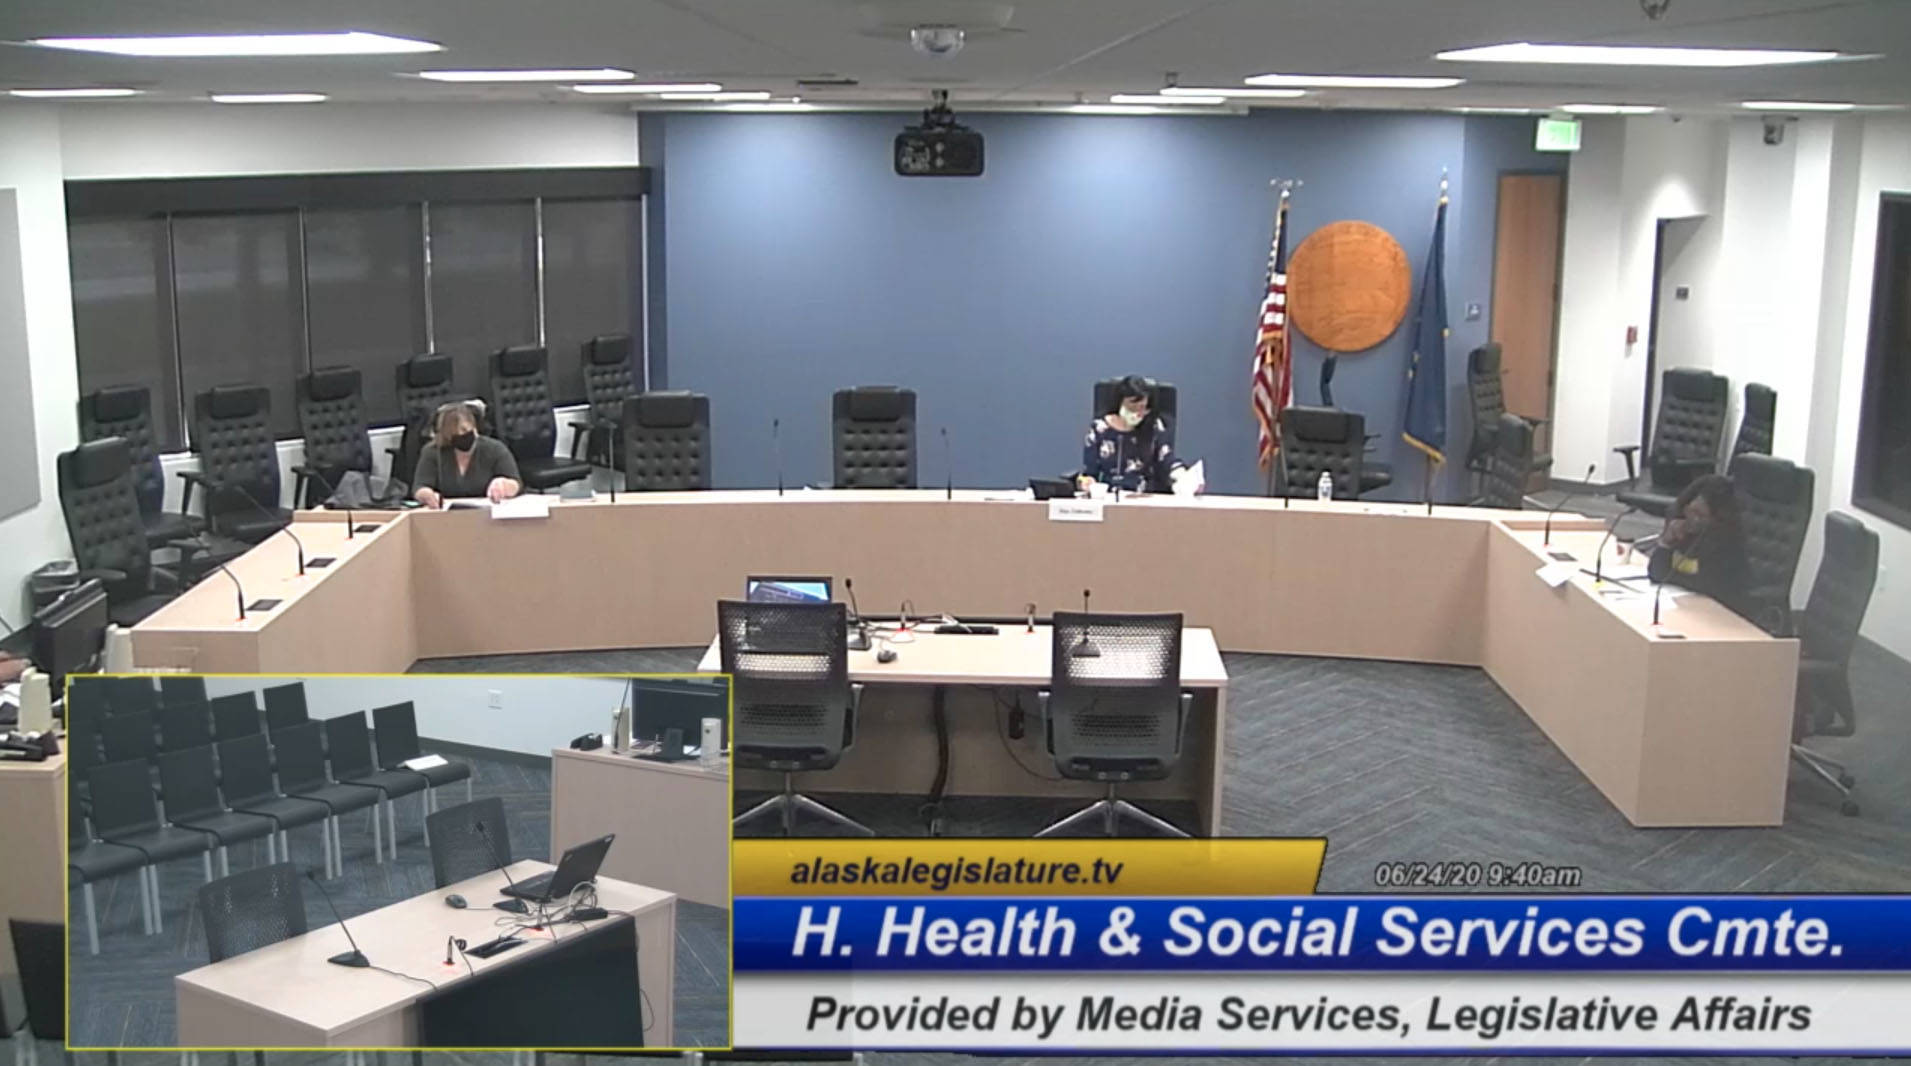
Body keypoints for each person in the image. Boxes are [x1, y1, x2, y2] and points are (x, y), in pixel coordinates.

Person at [1648, 474, 1753, 620]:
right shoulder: (1681, 531)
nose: (1694, 519)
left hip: (1721, 616)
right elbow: (1656, 573)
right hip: (1686, 610)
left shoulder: (1726, 544)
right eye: (1692, 511)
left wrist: (1671, 576)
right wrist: (1666, 543)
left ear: (1717, 519)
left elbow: (1704, 586)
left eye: (1702, 516)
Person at [1077, 375, 1199, 495]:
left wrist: (1184, 477)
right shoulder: (1100, 428)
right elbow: (1090, 471)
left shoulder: (1153, 426)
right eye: (1131, 406)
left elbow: (1167, 459)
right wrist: (1087, 482)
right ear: (1120, 402)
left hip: (1144, 497)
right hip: (1108, 496)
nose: (1137, 412)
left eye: (1142, 407)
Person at [411, 401, 522, 509]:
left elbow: (516, 484)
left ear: (474, 427)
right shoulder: (432, 451)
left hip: (488, 514)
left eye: (464, 430)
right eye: (454, 434)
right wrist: (427, 495)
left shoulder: (495, 448)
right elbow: (420, 488)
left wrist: (505, 485)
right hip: (447, 516)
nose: (461, 435)